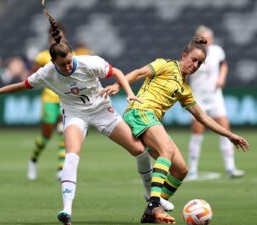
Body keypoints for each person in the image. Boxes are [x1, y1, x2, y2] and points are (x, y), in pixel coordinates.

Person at [0, 9, 172, 225]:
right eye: (62, 64)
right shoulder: (47, 72)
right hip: (75, 114)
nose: (67, 66)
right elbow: (21, 85)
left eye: (69, 61)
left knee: (140, 151)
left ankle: (149, 195)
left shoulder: (89, 62)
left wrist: (130, 94)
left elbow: (116, 72)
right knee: (71, 154)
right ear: (53, 62)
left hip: (101, 110)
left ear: (72, 55)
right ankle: (66, 211)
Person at [102, 35, 249, 224]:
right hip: (140, 111)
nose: (195, 65)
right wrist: (117, 85)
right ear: (184, 55)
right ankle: (154, 205)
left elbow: (202, 117)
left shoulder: (184, 88)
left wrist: (230, 135)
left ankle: (151, 213)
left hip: (151, 119)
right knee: (167, 151)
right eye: (194, 60)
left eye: (200, 63)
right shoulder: (165, 65)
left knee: (181, 169)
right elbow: (139, 73)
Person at [187, 25, 244, 180]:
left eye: (209, 38)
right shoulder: (194, 53)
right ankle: (192, 169)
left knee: (225, 130)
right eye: (204, 38)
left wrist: (221, 78)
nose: (207, 41)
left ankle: (230, 167)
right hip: (197, 97)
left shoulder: (217, 51)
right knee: (197, 133)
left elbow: (223, 64)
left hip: (215, 97)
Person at [27, 24, 68, 181]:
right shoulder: (43, 56)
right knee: (46, 135)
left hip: (66, 100)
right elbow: (33, 75)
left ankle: (60, 169)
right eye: (55, 37)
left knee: (64, 133)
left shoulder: (71, 55)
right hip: (49, 100)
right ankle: (33, 160)